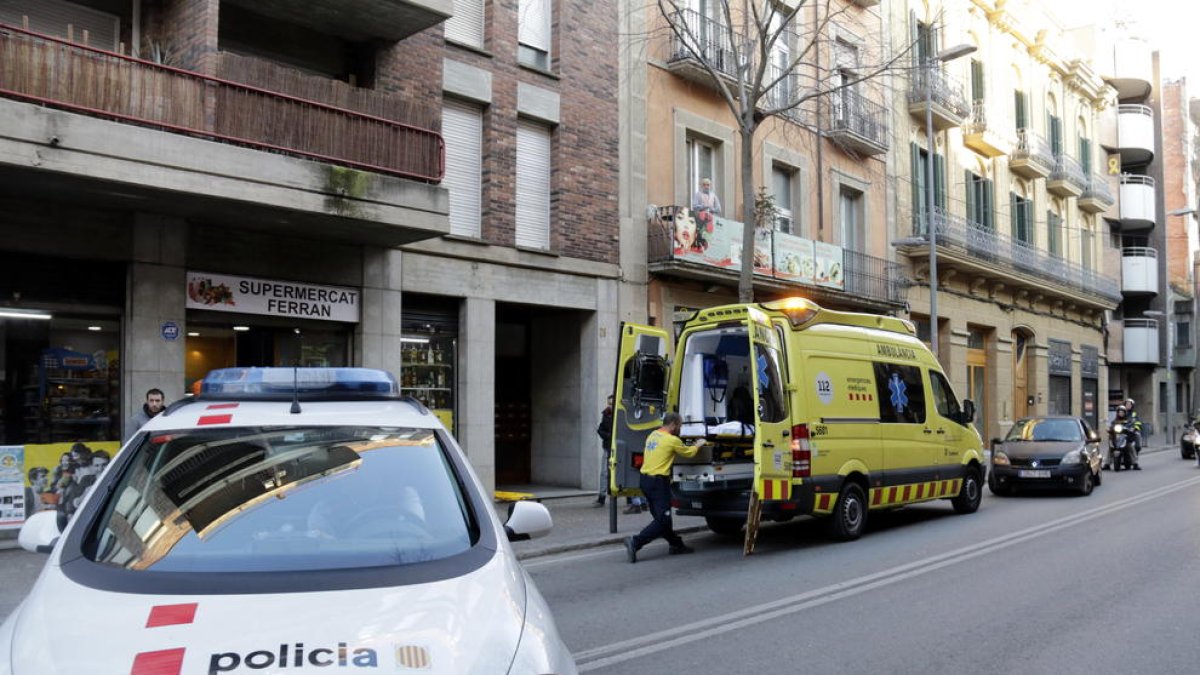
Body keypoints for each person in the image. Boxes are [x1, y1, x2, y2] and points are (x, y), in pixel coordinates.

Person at [624, 412, 707, 563]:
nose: (680, 429)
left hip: (645, 481)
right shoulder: (672, 440)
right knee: (663, 519)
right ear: (674, 424)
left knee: (662, 518)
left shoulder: (653, 435)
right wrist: (698, 444)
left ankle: (676, 545)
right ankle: (635, 542)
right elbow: (688, 453)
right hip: (658, 483)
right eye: (680, 426)